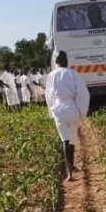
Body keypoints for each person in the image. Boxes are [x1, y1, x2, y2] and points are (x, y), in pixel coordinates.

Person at [45, 51, 90, 182]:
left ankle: (69, 171)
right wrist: (81, 111)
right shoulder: (73, 74)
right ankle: (72, 165)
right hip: (72, 110)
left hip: (59, 111)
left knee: (64, 139)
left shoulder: (51, 75)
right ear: (66, 61)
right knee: (72, 139)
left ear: (56, 62)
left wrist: (52, 110)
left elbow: (49, 96)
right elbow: (83, 93)